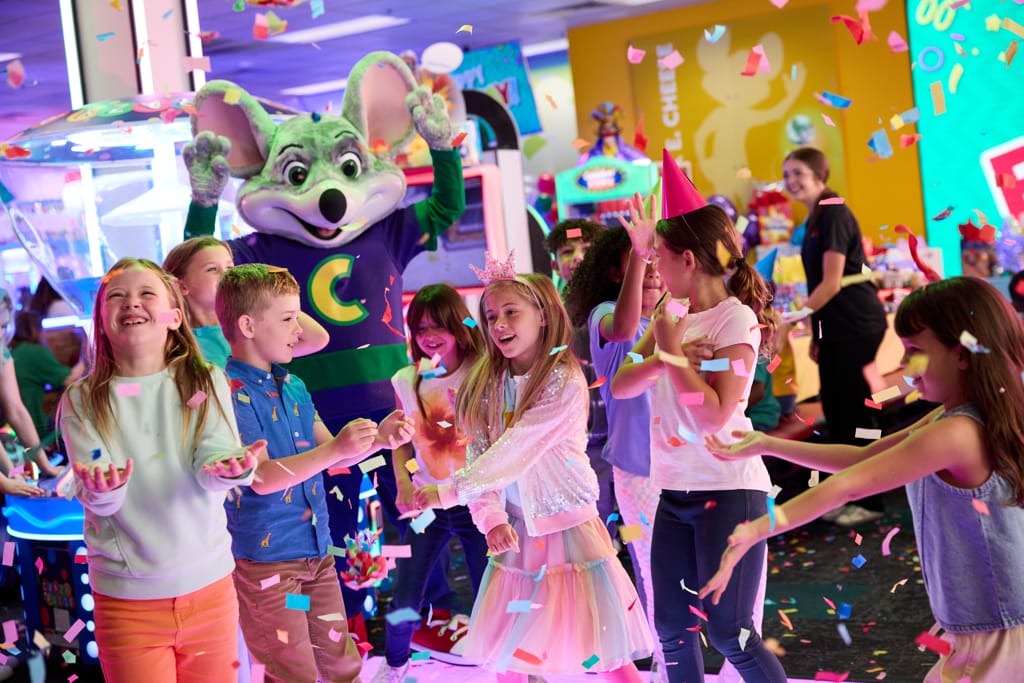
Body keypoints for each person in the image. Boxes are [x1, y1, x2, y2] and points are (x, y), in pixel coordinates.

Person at [701, 276, 1024, 682]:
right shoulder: (955, 418)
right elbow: (861, 458)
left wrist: (754, 530)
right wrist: (766, 443)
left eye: (915, 352)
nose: (904, 365)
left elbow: (850, 485)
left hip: (993, 633)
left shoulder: (956, 432)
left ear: (961, 354)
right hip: (990, 624)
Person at [414, 265, 652, 682]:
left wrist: (447, 493)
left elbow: (517, 448)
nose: (499, 324)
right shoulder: (486, 385)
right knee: (511, 655)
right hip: (517, 536)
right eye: (491, 316)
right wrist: (492, 519)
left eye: (511, 312)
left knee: (606, 651)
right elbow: (483, 456)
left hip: (572, 532)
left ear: (542, 315)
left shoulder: (563, 380)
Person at [609, 172, 786, 682]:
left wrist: (671, 355)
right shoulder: (671, 312)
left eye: (660, 258)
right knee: (671, 629)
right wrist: (667, 356)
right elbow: (622, 385)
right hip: (674, 490)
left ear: (687, 260)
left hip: (729, 490)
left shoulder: (736, 320)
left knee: (731, 632)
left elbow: (712, 414)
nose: (656, 270)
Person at [58, 258, 261, 682]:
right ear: (101, 321)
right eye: (117, 296)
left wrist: (231, 469)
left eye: (146, 293)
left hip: (210, 590)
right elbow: (97, 491)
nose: (131, 302)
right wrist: (103, 488)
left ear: (174, 317)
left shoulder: (206, 380)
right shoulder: (83, 399)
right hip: (127, 604)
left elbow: (214, 457)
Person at [216, 264, 413, 683]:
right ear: (248, 326)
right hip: (267, 565)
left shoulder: (294, 386)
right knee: (292, 670)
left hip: (317, 553)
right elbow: (261, 478)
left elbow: (333, 457)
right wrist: (336, 449)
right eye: (289, 319)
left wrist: (380, 440)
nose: (298, 331)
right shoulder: (229, 393)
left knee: (341, 662)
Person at [564, 217, 670, 682]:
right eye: (641, 260)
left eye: (658, 259)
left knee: (686, 574)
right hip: (639, 469)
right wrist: (642, 254)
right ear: (615, 270)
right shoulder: (605, 315)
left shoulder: (671, 317)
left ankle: (676, 660)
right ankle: (663, 662)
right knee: (654, 572)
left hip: (681, 463)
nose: (652, 268)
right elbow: (625, 327)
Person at [373, 284, 489, 682]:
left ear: (459, 325)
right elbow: (401, 443)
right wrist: (404, 486)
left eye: (438, 326)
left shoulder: (483, 370)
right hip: (427, 504)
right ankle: (395, 664)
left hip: (477, 501)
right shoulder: (407, 380)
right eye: (420, 328)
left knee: (492, 589)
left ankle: (511, 667)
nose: (429, 336)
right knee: (407, 591)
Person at [782, 147, 889, 527]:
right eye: (787, 174)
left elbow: (830, 283)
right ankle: (849, 493)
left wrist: (790, 320)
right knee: (838, 413)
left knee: (856, 412)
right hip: (836, 328)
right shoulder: (816, 216)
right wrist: (817, 334)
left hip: (856, 325)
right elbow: (822, 286)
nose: (791, 181)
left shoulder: (833, 211)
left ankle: (872, 500)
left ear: (819, 174)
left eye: (798, 172)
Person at [162, 236, 329, 367]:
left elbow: (317, 339)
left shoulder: (250, 328)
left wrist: (275, 296)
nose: (227, 275)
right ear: (181, 285)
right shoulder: (174, 340)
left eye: (229, 267)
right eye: (212, 269)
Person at [0, 291, 59, 479]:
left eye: (3, 326)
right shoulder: (34, 352)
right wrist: (10, 477)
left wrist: (46, 467)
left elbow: (17, 412)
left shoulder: (3, 355)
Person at [9, 311, 86, 447]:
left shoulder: (13, 352)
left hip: (12, 428)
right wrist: (88, 356)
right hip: (33, 425)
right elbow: (69, 378)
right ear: (35, 330)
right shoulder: (33, 352)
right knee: (77, 429)